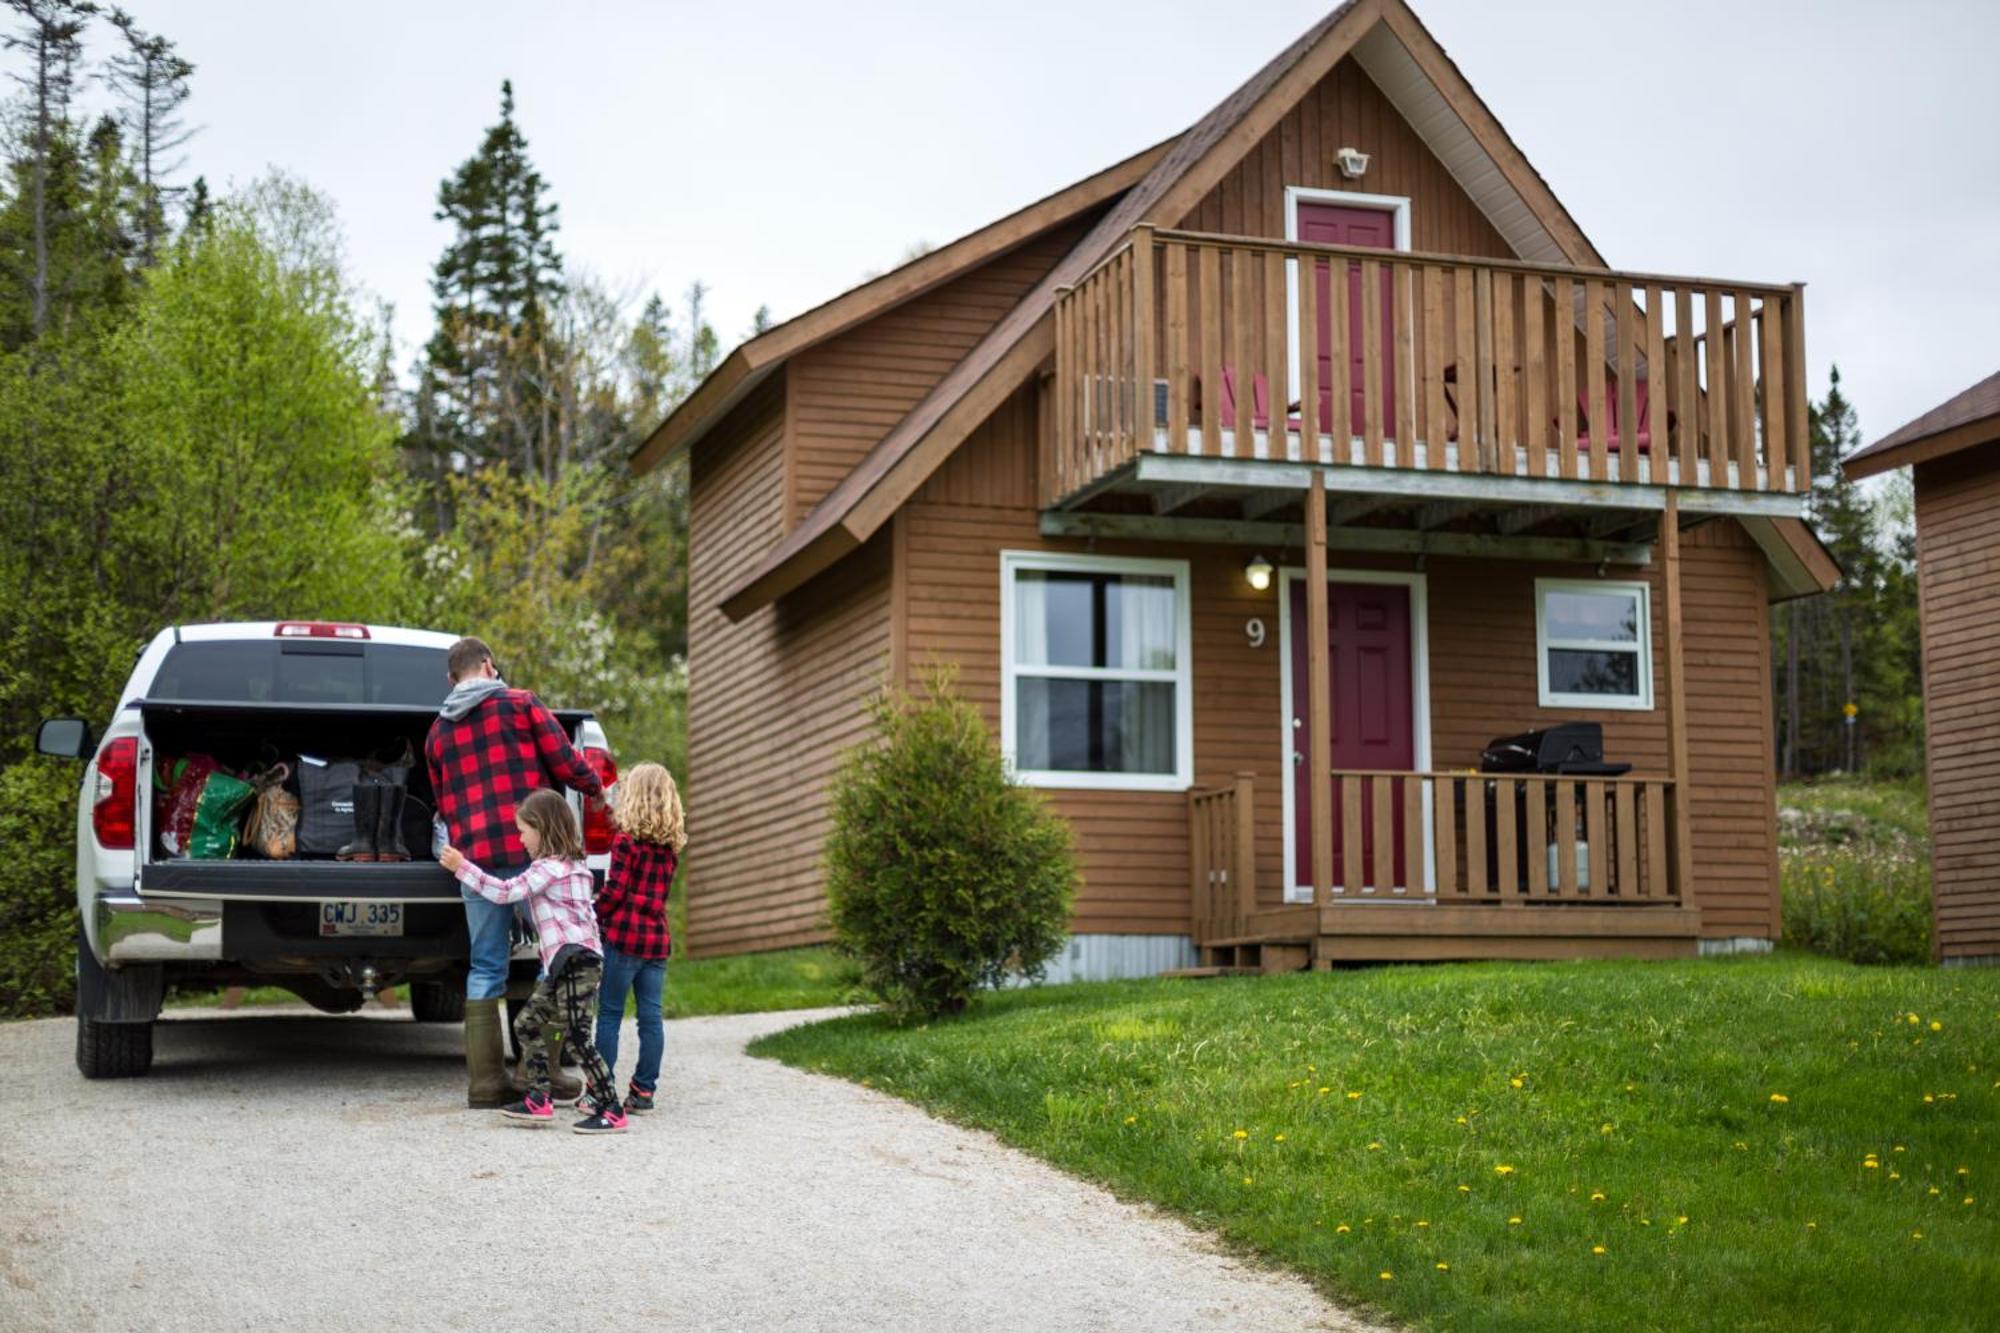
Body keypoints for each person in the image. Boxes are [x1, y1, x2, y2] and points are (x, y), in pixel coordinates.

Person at [426, 636, 604, 1107]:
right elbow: (566, 764)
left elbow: (443, 806)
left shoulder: (436, 734)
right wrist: (599, 787)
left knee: (485, 966)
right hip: (533, 852)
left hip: (475, 860)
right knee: (554, 955)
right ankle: (536, 1072)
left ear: (451, 680)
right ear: (489, 666)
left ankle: (485, 1084)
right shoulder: (521, 704)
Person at [441, 790, 625, 1134]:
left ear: (542, 829)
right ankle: (539, 1099)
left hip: (576, 962)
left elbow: (504, 892)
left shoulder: (548, 869)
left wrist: (462, 867)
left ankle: (610, 1107)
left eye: (523, 831)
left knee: (578, 1038)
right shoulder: (575, 868)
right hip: (568, 962)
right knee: (527, 1023)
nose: (519, 839)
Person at [585, 762, 685, 1116]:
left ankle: (600, 1090)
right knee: (651, 1019)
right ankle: (643, 1090)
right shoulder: (670, 847)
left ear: (635, 798)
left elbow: (616, 892)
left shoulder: (625, 842)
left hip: (624, 939)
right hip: (656, 941)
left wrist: (592, 911)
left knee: (610, 1014)